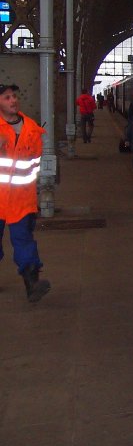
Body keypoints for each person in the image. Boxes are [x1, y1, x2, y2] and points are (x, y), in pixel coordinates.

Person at [0, 83, 51, 302]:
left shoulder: (31, 129)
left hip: (21, 198)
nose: (13, 100)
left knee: (24, 241)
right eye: (6, 97)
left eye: (14, 96)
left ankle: (32, 285)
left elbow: (35, 164)